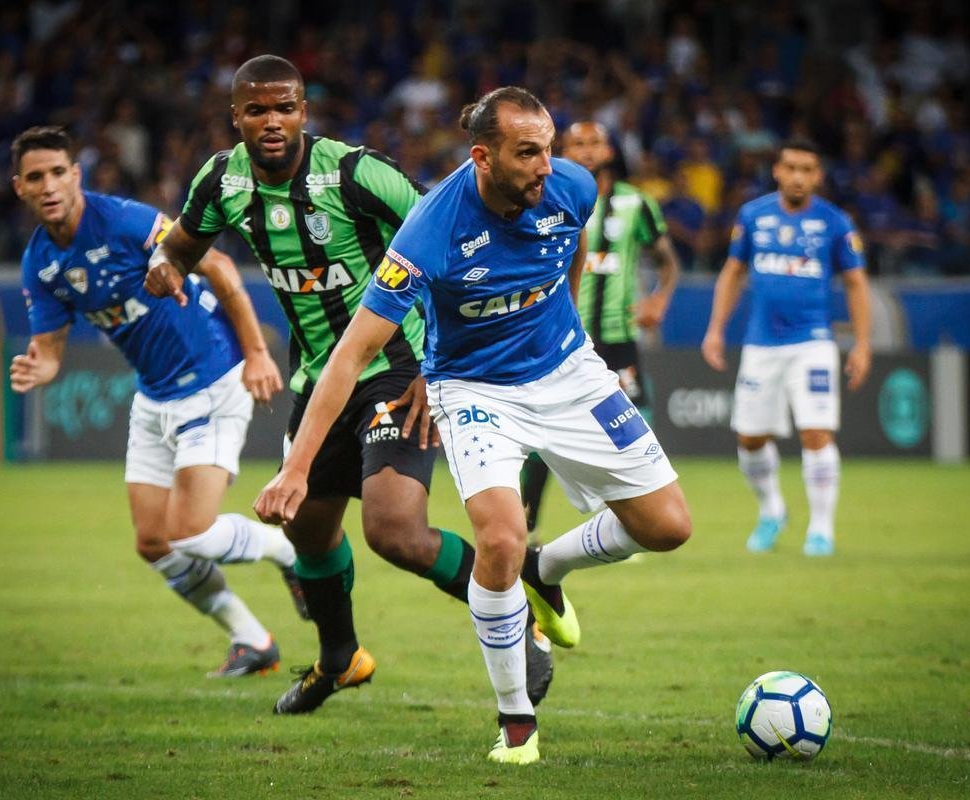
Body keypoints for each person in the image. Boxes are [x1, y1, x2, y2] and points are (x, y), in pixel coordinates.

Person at [253, 86, 692, 765]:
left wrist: (565, 318)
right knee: (498, 539)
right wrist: (295, 467)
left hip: (569, 371)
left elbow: (571, 246)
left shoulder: (571, 186)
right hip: (475, 390)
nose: (547, 166)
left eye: (549, 149)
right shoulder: (430, 230)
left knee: (668, 527)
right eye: (528, 153)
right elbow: (351, 355)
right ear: (482, 156)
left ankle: (546, 571)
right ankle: (516, 720)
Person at [142, 56, 558, 716]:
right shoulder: (222, 180)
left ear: (304, 111)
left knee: (393, 530)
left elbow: (450, 238)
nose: (271, 121)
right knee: (308, 531)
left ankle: (521, 616)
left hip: (398, 366)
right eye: (257, 110)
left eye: (285, 108)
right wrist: (166, 268)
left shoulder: (355, 174)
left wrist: (435, 364)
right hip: (320, 378)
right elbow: (183, 247)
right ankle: (341, 659)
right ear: (236, 118)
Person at [8, 125, 304, 678]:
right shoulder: (40, 264)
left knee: (190, 529)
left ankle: (291, 553)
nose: (48, 185)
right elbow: (49, 352)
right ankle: (252, 640)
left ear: (76, 175)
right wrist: (36, 368)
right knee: (152, 541)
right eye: (34, 177)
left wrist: (258, 353)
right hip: (153, 397)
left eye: (56, 173)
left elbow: (215, 264)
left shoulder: (122, 220)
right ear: (19, 187)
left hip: (213, 378)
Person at [701, 138, 872, 557]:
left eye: (807, 169)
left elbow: (856, 283)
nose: (798, 176)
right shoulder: (753, 215)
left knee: (816, 431)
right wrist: (715, 330)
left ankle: (821, 529)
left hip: (813, 342)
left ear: (818, 176)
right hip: (761, 344)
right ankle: (772, 510)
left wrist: (863, 345)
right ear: (777, 170)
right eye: (791, 167)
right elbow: (732, 273)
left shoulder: (835, 222)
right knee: (750, 439)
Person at [519, 120, 680, 537]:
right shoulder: (544, 200)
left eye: (595, 143)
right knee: (542, 436)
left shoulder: (636, 203)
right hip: (562, 338)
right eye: (578, 145)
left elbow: (667, 261)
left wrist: (658, 300)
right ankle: (527, 525)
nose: (588, 151)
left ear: (610, 151)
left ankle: (632, 521)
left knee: (633, 428)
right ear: (563, 153)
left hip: (618, 335)